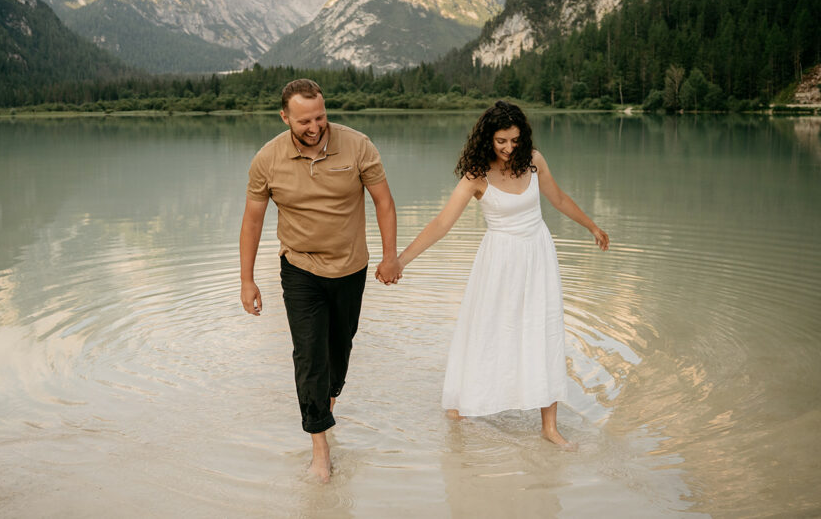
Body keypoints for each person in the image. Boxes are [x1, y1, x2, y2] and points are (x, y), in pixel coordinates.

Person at [395, 100, 608, 449]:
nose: (509, 148)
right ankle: (461, 404)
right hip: (499, 262)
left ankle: (549, 427)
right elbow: (441, 223)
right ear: (487, 140)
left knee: (543, 330)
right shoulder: (476, 176)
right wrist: (401, 261)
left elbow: (559, 199)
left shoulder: (534, 161)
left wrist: (593, 227)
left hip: (538, 255)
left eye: (514, 139)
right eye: (501, 141)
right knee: (488, 329)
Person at [239, 79, 401, 482]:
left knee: (338, 355)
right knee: (309, 356)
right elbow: (253, 220)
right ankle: (320, 448)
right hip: (300, 270)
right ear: (285, 117)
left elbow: (383, 201)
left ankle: (324, 409)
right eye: (305, 120)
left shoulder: (358, 145)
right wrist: (247, 279)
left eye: (320, 116)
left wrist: (390, 255)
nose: (315, 126)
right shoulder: (267, 159)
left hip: (351, 268)